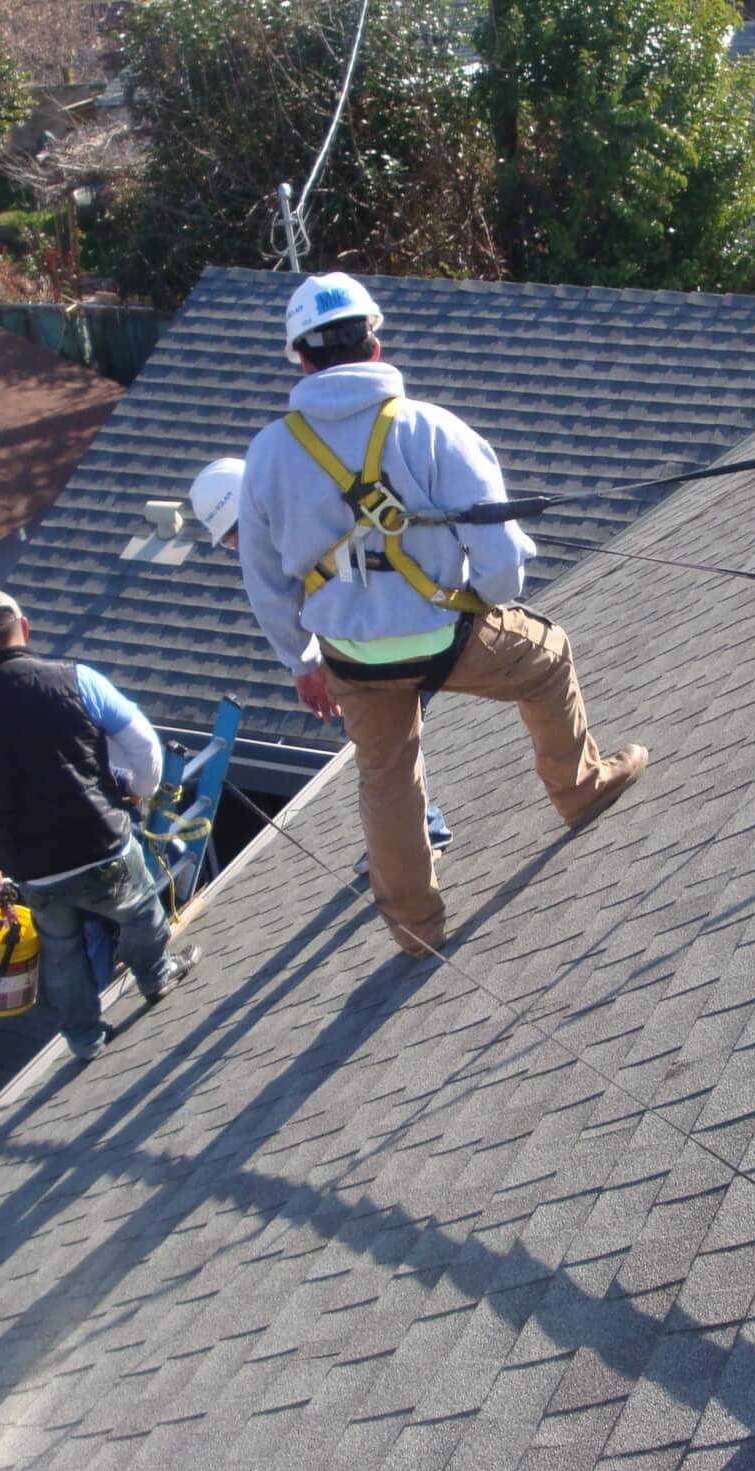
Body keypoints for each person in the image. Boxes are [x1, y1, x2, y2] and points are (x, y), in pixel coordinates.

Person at [233, 272, 648, 957]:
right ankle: (579, 790)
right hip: (446, 634)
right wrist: (482, 599)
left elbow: (265, 579)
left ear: (301, 360)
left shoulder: (269, 454)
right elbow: (501, 559)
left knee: (387, 776)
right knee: (547, 656)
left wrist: (301, 662)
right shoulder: (431, 428)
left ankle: (414, 928)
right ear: (375, 344)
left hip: (351, 656)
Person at [0, 590, 192, 1060]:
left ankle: (84, 1038)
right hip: (100, 841)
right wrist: (140, 788)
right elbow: (144, 745)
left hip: (32, 866)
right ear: (25, 629)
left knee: (61, 950)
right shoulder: (77, 679)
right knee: (139, 912)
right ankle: (155, 974)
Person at [192, 455, 454, 877]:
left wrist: (306, 665)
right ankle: (416, 831)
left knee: (384, 746)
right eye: (227, 542)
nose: (235, 547)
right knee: (388, 743)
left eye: (230, 537)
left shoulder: (279, 537)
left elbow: (277, 608)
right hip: (411, 619)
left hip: (387, 637)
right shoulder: (308, 505)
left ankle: (418, 836)